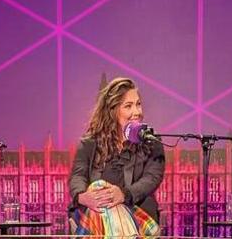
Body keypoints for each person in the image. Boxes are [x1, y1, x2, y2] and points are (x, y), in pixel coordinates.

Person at [68, 77, 165, 224]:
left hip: (137, 217)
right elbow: (77, 176)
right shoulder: (89, 143)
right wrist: (83, 196)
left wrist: (123, 195)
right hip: (97, 218)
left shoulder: (151, 142)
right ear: (112, 111)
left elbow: (151, 179)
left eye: (138, 104)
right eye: (128, 106)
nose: (137, 111)